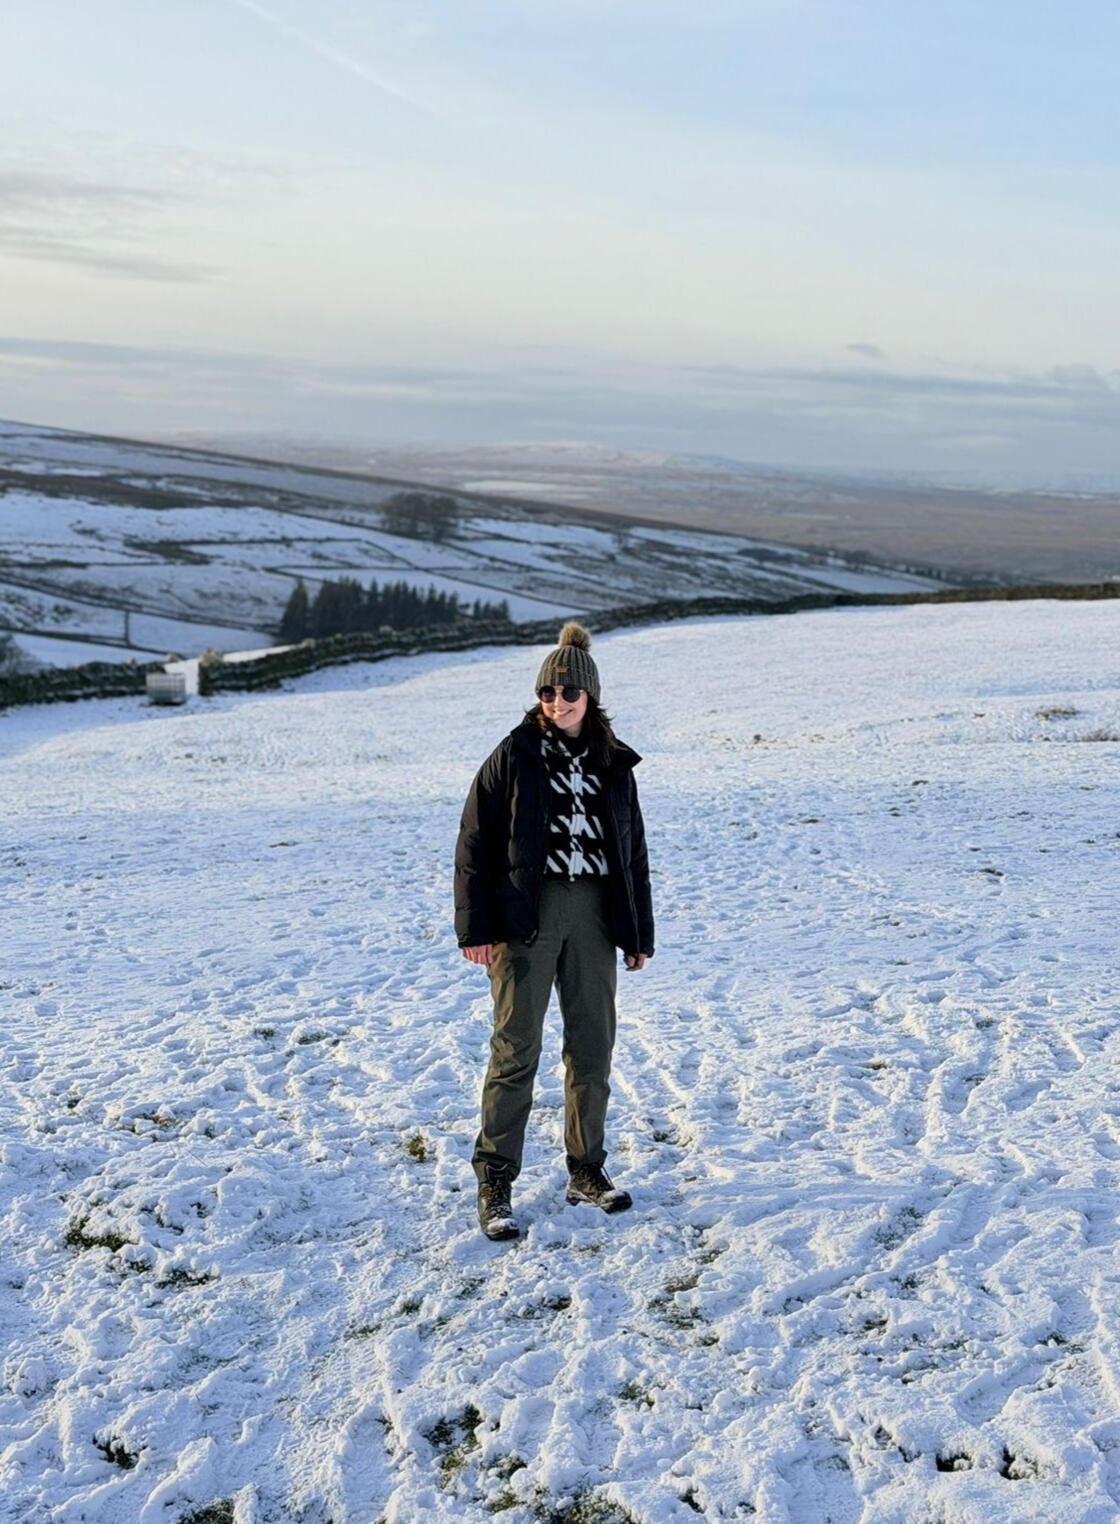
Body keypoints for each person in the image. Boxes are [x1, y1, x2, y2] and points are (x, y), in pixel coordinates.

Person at [454, 621, 655, 1241]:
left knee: (592, 1046)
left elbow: (633, 851)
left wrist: (638, 932)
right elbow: (474, 843)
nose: (558, 703)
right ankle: (495, 1181)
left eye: (569, 693)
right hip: (526, 918)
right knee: (516, 1049)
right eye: (548, 694)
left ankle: (586, 1169)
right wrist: (476, 928)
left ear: (590, 697)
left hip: (595, 913)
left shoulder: (615, 763)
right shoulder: (513, 754)